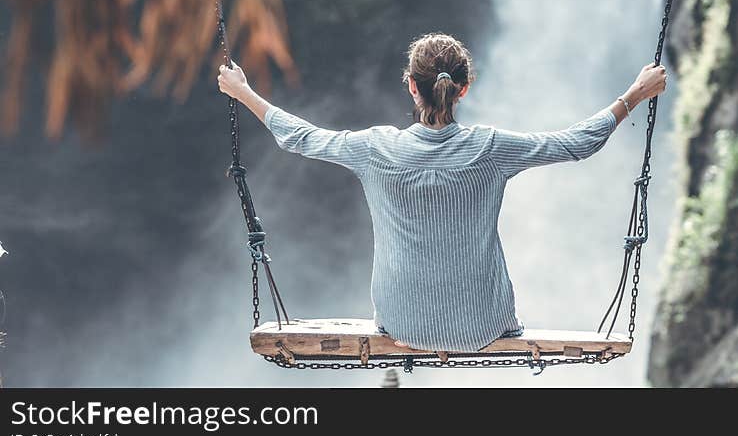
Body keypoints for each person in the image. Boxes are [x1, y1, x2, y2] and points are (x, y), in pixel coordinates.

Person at [217, 32, 667, 353]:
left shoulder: (374, 149)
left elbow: (301, 137)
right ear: (463, 90)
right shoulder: (492, 148)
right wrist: (634, 94)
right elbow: (575, 144)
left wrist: (245, 93)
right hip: (484, 327)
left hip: (402, 324)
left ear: (411, 86)